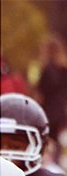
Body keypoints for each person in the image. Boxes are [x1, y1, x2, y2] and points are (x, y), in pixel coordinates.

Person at [36, 36, 67, 166]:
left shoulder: (47, 69)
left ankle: (47, 163)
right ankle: (57, 164)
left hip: (48, 110)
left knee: (47, 140)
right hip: (60, 110)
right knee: (57, 141)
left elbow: (41, 92)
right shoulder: (63, 69)